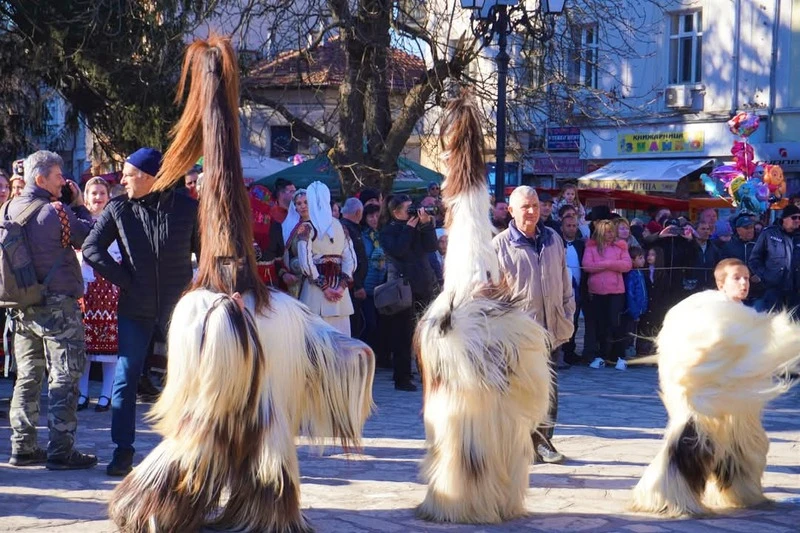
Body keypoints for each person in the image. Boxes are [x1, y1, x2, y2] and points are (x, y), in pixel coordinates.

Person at [82, 147, 200, 477]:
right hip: (134, 308)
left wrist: (202, 293)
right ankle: (123, 452)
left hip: (180, 312)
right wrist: (126, 280)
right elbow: (91, 248)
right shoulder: (119, 208)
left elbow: (206, 256)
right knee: (126, 377)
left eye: (128, 174)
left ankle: (188, 452)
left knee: (188, 381)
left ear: (148, 178)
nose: (122, 180)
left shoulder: (188, 208)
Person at [6, 150, 97, 470]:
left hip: (22, 307)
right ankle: (61, 450)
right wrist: (79, 204)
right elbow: (89, 235)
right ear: (40, 179)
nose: (64, 181)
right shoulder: (56, 211)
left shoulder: (8, 207)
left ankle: (23, 447)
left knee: (27, 378)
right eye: (59, 176)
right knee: (65, 377)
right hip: (59, 307)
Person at [494, 186, 575, 464]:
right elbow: (492, 293)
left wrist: (567, 312)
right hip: (518, 333)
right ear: (511, 211)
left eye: (536, 206)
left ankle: (543, 441)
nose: (531, 211)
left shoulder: (552, 238)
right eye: (525, 207)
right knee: (518, 389)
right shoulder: (500, 245)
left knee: (549, 390)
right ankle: (518, 442)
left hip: (550, 328)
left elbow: (565, 281)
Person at [379, 193, 439, 391]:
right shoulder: (389, 231)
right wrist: (408, 229)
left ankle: (427, 374)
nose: (412, 211)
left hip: (423, 284)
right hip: (402, 288)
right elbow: (399, 250)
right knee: (403, 335)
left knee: (426, 334)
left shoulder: (418, 227)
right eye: (407, 209)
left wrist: (426, 225)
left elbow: (431, 247)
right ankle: (402, 377)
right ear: (396, 213)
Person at [77, 177, 121, 412]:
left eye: (102, 193)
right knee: (84, 345)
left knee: (109, 345)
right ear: (86, 197)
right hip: (85, 290)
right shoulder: (80, 222)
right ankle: (82, 393)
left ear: (108, 196)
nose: (98, 197)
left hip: (110, 290)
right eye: (93, 193)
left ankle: (106, 394)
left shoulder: (115, 223)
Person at [295, 182, 355, 335]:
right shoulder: (341, 226)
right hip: (340, 296)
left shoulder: (306, 227)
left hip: (316, 294)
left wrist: (326, 288)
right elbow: (351, 261)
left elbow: (306, 263)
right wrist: (340, 287)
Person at [582, 219, 632, 370]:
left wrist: (605, 264)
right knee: (600, 325)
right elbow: (587, 266)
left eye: (612, 231)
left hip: (616, 291)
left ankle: (619, 356)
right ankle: (600, 355)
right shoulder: (591, 248)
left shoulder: (620, 247)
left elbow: (626, 265)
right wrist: (610, 264)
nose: (610, 234)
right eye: (607, 231)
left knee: (615, 323)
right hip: (597, 292)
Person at [748, 204, 800, 313]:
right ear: (784, 219)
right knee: (773, 323)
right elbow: (754, 259)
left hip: (796, 292)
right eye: (794, 217)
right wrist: (766, 276)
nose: (797, 220)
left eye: (799, 218)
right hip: (774, 290)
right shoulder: (769, 233)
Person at [360, 203, 389, 367]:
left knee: (381, 324)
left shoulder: (383, 235)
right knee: (369, 323)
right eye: (371, 216)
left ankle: (380, 357)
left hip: (383, 284)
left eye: (377, 215)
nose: (374, 219)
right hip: (367, 283)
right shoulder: (363, 236)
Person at [340, 197, 368, 336]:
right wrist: (357, 285)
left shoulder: (349, 228)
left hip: (351, 285)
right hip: (351, 287)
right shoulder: (347, 229)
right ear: (358, 212)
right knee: (354, 326)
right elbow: (349, 260)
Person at [560, 214, 585, 366]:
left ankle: (570, 350)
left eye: (574, 226)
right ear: (562, 227)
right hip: (561, 289)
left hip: (578, 288)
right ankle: (561, 352)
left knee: (574, 322)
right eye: (568, 226)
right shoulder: (556, 243)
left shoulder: (581, 245)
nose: (572, 228)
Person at [618, 246, 647, 359]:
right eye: (640, 258)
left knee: (633, 332)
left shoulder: (640, 273)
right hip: (632, 311)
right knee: (629, 333)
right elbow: (630, 295)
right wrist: (634, 312)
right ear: (632, 260)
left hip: (639, 310)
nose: (643, 260)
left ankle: (630, 350)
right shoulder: (631, 275)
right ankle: (627, 353)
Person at [282, 189, 311, 298]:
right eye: (299, 203)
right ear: (295, 207)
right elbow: (283, 253)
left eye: (306, 202)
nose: (303, 206)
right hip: (296, 277)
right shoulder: (289, 227)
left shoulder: (319, 225)